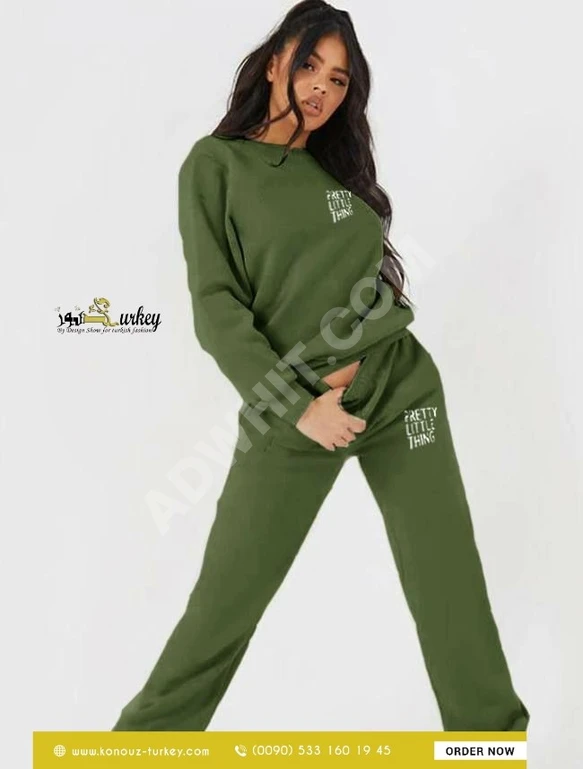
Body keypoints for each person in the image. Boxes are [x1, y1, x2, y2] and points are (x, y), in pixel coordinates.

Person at [112, 0, 530, 732]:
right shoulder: (216, 165)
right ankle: (139, 748)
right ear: (276, 58)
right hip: (294, 412)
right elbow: (216, 307)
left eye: (338, 79)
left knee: (448, 580)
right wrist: (300, 407)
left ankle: (490, 745)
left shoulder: (333, 169)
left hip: (401, 388)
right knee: (224, 606)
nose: (321, 88)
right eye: (310, 65)